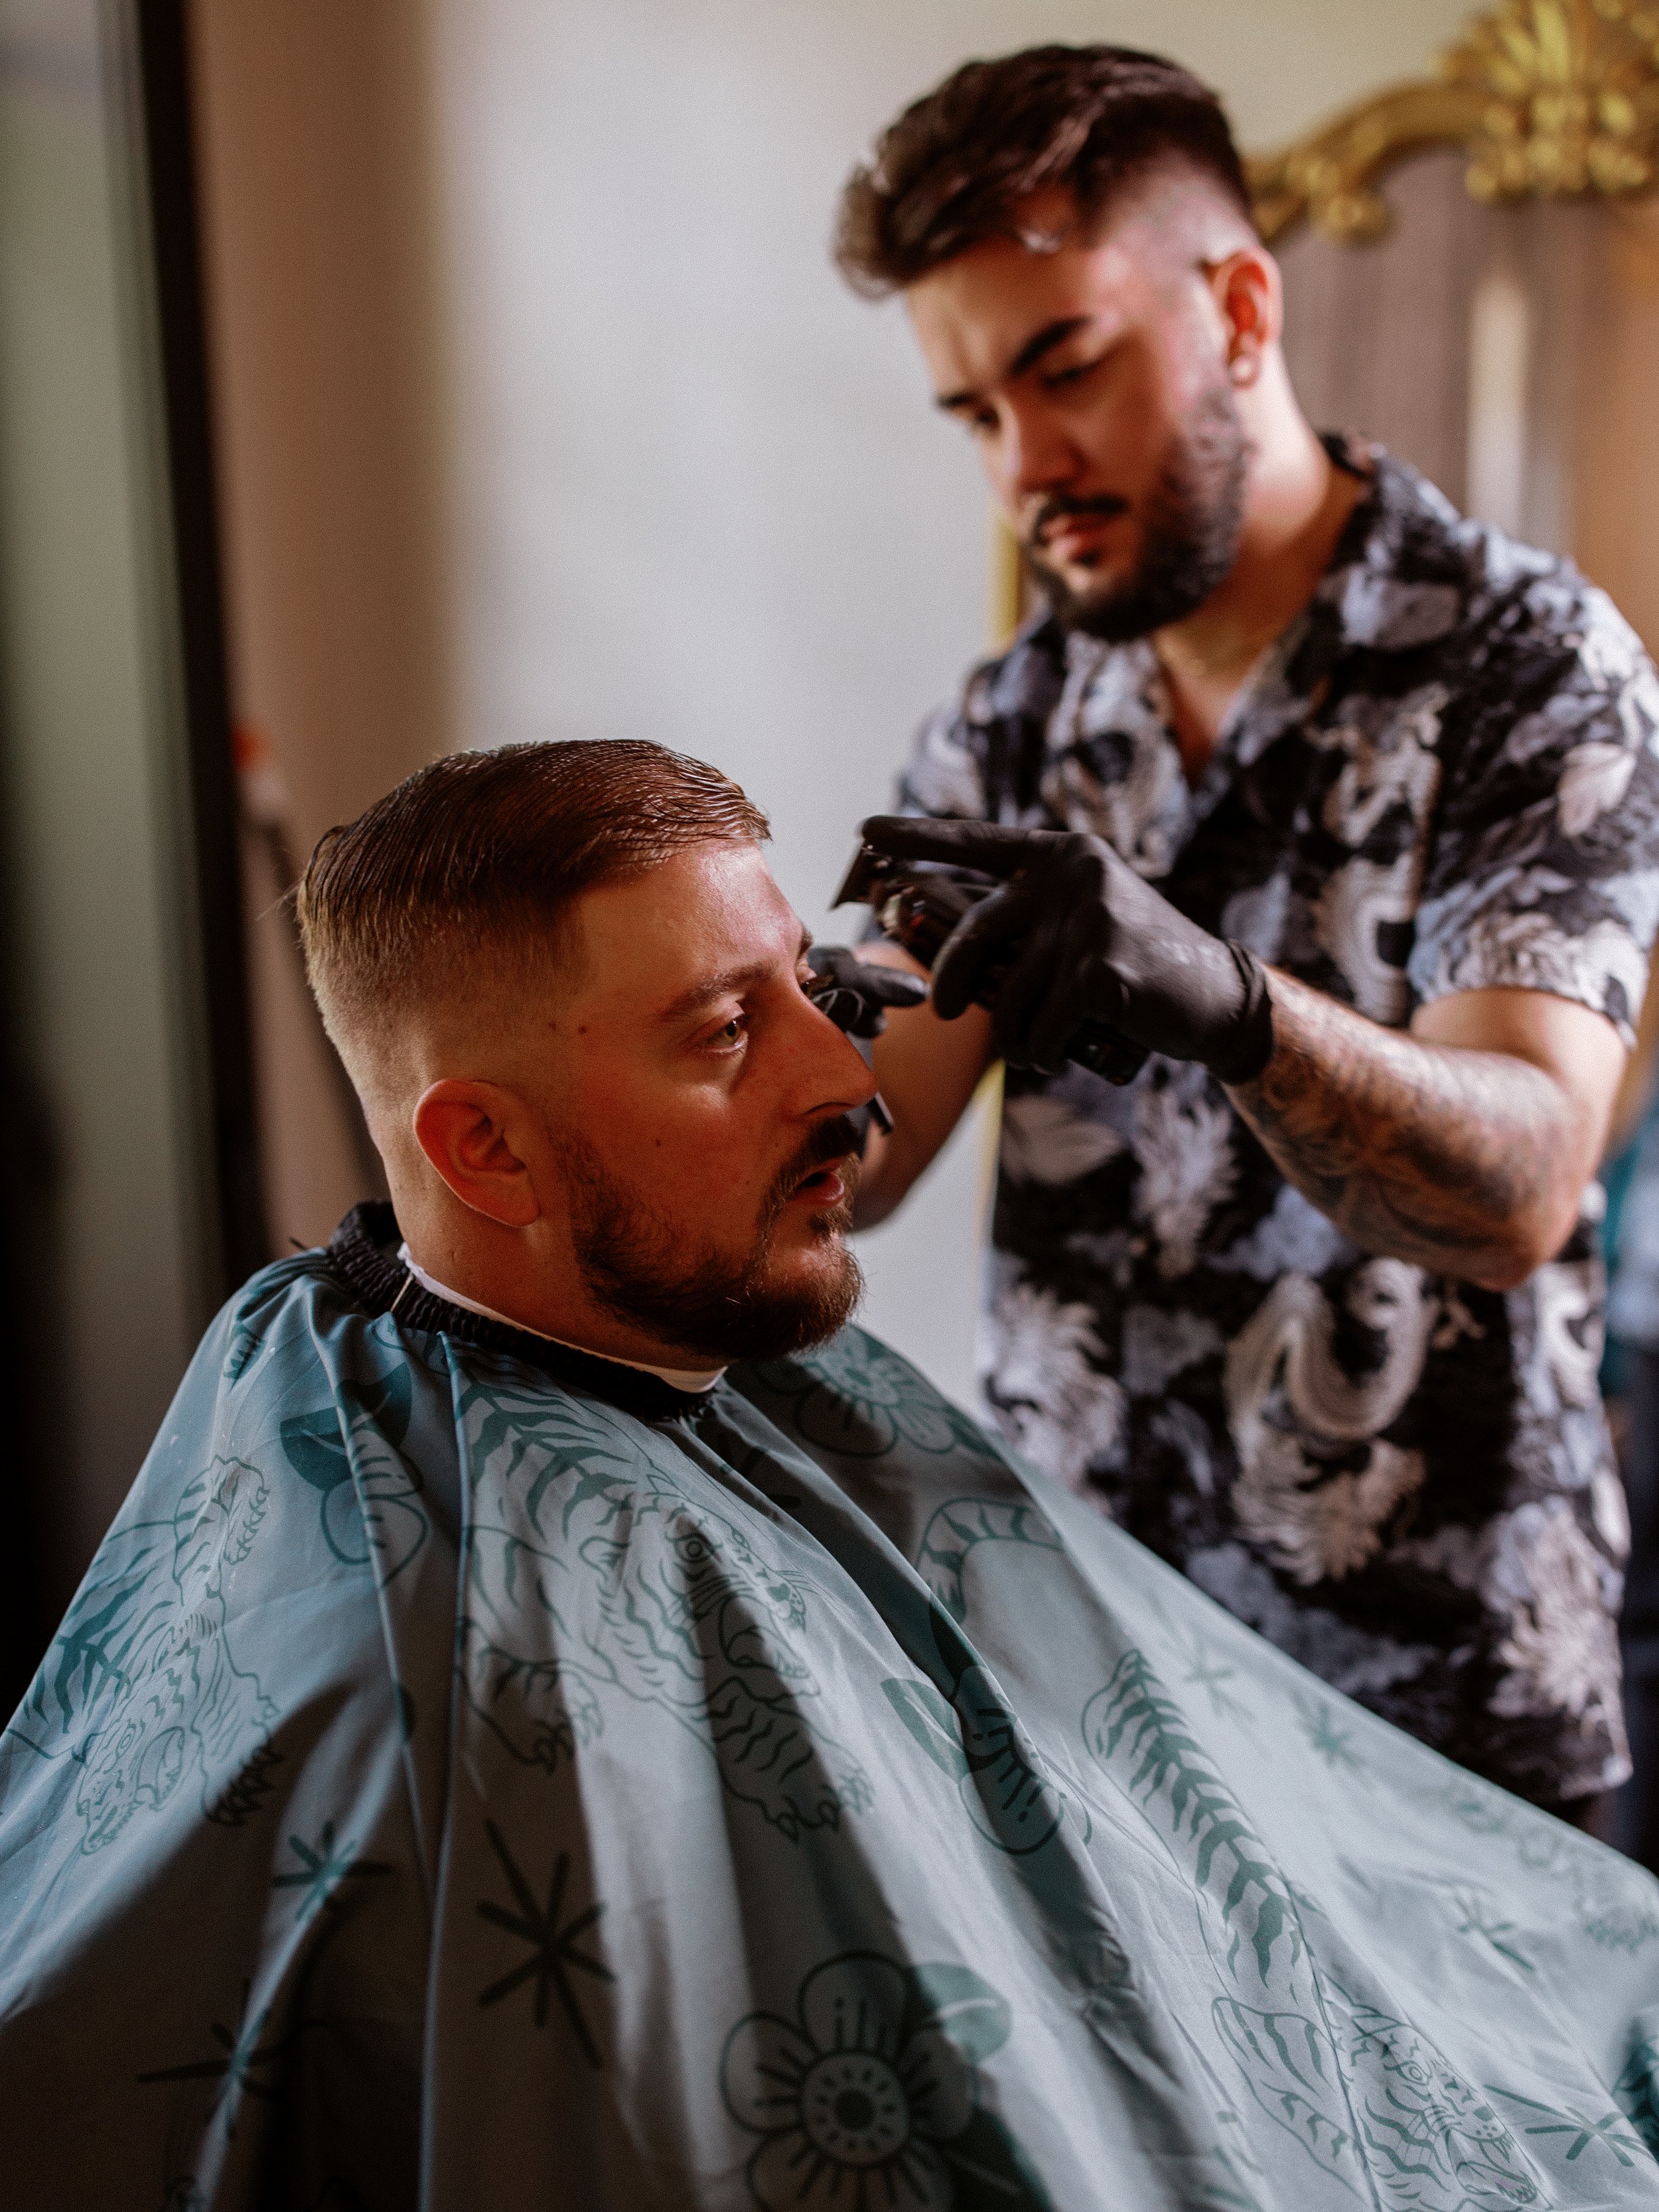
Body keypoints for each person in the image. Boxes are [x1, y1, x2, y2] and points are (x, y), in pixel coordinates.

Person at [5, 739, 1659, 2209]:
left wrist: (1230, 1003)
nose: (855, 1081)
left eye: (813, 985)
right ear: (484, 1148)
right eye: (730, 1028)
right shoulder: (456, 1659)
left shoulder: (1529, 681)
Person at [833, 44, 1659, 1839]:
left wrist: (1230, 1009)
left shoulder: (1532, 669)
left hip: (1440, 1726)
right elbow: (865, 1145)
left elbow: (1523, 1185)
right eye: (973, 412)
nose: (1026, 465)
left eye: (1064, 367)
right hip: (1086, 1693)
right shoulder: (1008, 725)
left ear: (1236, 310)